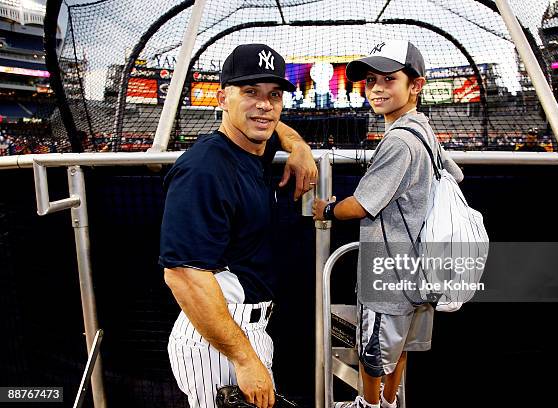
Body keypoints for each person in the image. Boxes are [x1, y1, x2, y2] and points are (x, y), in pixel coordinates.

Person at [160, 43, 316, 408]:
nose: (264, 104)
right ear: (222, 98)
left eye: (274, 94)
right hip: (221, 341)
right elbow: (183, 275)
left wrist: (299, 146)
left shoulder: (249, 150)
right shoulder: (204, 169)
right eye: (250, 92)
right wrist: (245, 359)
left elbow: (273, 125)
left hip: (241, 332)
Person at [313, 40, 464, 408]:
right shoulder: (422, 128)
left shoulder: (399, 140)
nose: (377, 88)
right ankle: (390, 402)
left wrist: (327, 209)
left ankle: (370, 405)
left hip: (390, 269)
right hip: (419, 265)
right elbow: (454, 174)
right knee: (397, 349)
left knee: (372, 352)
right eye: (370, 80)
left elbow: (362, 205)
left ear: (416, 86)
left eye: (389, 79)